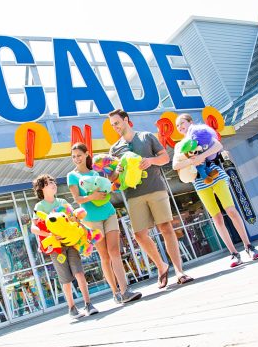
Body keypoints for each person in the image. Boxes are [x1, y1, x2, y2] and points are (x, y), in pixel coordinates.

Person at [108, 109, 194, 288]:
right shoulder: (114, 149)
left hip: (156, 188)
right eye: (112, 125)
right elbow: (112, 178)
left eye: (117, 123)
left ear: (126, 120)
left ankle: (179, 271)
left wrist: (150, 161)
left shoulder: (146, 136)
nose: (115, 127)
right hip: (133, 195)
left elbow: (165, 158)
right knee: (139, 235)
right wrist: (117, 171)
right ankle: (161, 266)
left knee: (166, 228)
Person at [173, 114, 258, 268]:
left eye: (182, 123)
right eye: (177, 126)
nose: (180, 127)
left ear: (190, 122)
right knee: (217, 217)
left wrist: (202, 156)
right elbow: (175, 165)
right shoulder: (179, 145)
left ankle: (249, 246)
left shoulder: (200, 134)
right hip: (199, 181)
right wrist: (191, 161)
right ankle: (233, 253)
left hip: (215, 173)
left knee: (231, 210)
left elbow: (218, 146)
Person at [67, 142, 142, 304]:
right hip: (91, 219)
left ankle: (125, 290)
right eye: (74, 157)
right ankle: (115, 292)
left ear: (86, 154)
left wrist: (115, 177)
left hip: (109, 213)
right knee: (105, 256)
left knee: (115, 251)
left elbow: (107, 188)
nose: (77, 159)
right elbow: (77, 199)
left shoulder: (95, 172)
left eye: (79, 155)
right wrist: (92, 197)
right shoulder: (72, 176)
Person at [30, 174, 99, 319]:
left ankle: (88, 304)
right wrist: (49, 235)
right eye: (49, 183)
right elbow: (33, 228)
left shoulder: (62, 202)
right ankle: (72, 308)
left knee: (79, 272)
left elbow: (73, 218)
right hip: (56, 248)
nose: (53, 184)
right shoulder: (39, 206)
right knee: (65, 278)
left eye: (53, 182)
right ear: (41, 188)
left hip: (71, 243)